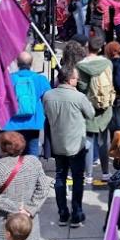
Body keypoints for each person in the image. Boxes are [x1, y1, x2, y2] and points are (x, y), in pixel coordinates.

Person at [41, 66, 94, 227]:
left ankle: (63, 214)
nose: (77, 81)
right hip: (76, 145)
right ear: (70, 80)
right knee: (78, 179)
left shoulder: (48, 95)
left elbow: (46, 114)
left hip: (57, 144)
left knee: (60, 178)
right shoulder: (79, 97)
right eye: (76, 78)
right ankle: (76, 214)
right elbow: (91, 114)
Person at [0, 132, 51, 240]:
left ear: (3, 147)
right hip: (26, 221)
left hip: (2, 224)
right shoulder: (33, 162)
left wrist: (16, 208)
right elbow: (44, 187)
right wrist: (28, 210)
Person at [76, 34, 116, 184]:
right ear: (100, 48)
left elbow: (82, 87)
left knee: (88, 141)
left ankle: (88, 175)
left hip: (88, 106)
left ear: (87, 46)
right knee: (103, 141)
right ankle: (105, 172)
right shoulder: (108, 63)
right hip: (105, 106)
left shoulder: (80, 65)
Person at [3, 52, 51, 156]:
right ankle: (32, 167)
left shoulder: (8, 79)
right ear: (31, 63)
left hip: (12, 123)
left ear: (17, 63)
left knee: (13, 153)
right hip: (33, 122)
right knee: (32, 153)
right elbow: (48, 99)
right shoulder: (40, 79)